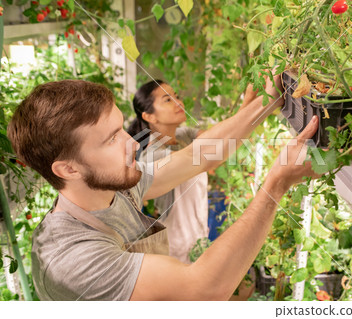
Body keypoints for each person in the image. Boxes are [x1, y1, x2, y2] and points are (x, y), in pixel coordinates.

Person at [7, 75, 322, 300]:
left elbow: (197, 156)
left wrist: (268, 103)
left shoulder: (113, 188)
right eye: (110, 140)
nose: (132, 143)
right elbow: (202, 290)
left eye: (120, 129)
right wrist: (275, 185)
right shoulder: (69, 258)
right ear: (68, 169)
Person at [126, 80, 259, 263]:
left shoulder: (183, 135)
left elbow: (223, 140)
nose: (179, 102)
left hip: (197, 239)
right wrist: (257, 105)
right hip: (175, 250)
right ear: (149, 116)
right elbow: (212, 156)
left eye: (177, 96)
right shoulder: (153, 156)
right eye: (168, 100)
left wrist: (251, 102)